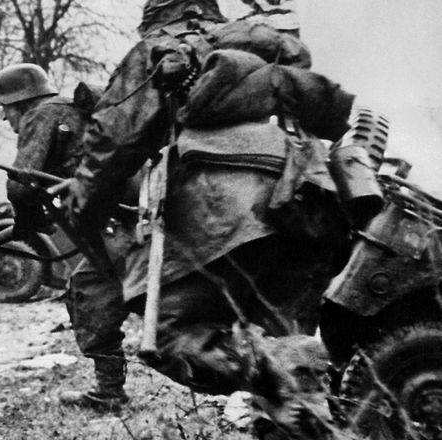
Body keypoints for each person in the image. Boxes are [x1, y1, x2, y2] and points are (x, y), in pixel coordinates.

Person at [62, 1, 355, 438]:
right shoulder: (258, 46)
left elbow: (113, 140)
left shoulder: (164, 47)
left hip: (225, 210)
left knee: (169, 334)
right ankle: (300, 405)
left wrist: (82, 207)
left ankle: (283, 376)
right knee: (283, 339)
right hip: (308, 200)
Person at [0, 63, 132, 412]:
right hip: (125, 211)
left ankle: (111, 392)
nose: (7, 122)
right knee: (89, 286)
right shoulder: (73, 110)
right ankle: (109, 390)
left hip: (114, 221)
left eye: (5, 111)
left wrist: (26, 223)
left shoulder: (39, 115)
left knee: (88, 290)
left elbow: (19, 184)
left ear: (18, 103)